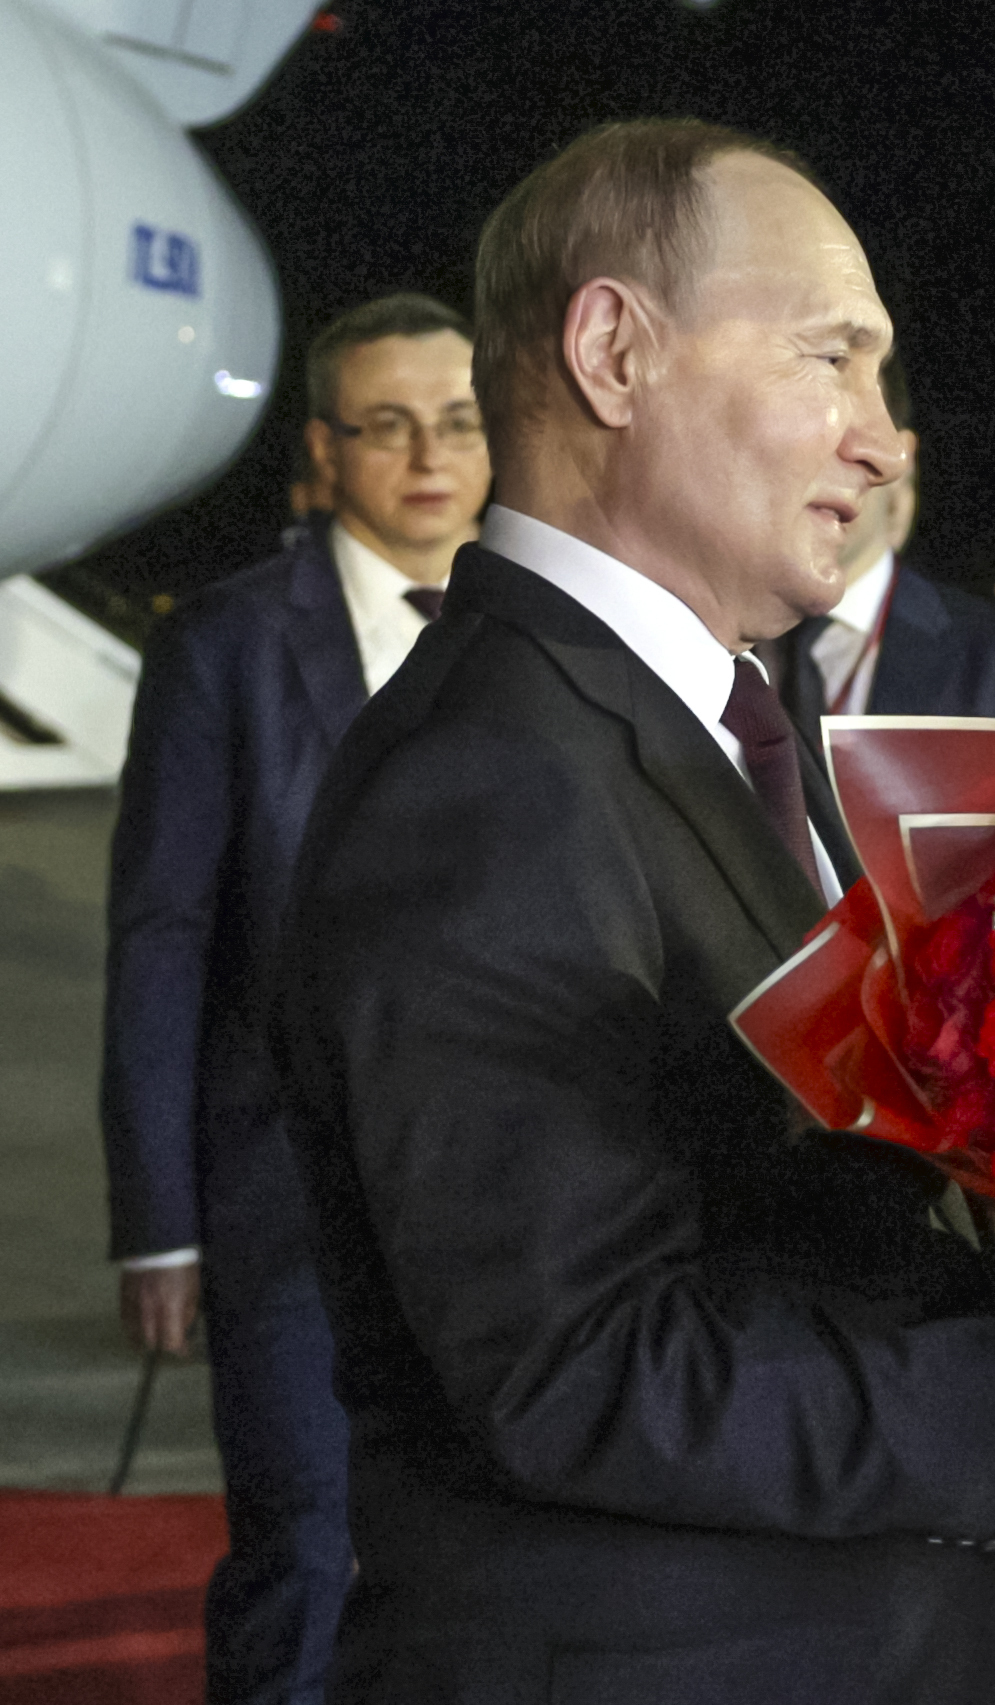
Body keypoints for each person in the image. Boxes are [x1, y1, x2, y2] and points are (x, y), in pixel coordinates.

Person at [270, 121, 995, 1705]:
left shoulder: (734, 725)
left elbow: (830, 1232)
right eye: (836, 356)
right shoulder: (487, 782)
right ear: (614, 349)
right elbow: (583, 1368)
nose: (883, 442)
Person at [102, 292, 490, 1705]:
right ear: (325, 451)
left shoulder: (554, 624)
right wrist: (157, 1222)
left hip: (516, 1197)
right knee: (307, 1549)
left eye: (456, 421)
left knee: (499, 1567)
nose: (428, 455)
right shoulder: (227, 645)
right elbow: (160, 934)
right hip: (290, 1196)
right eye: (386, 426)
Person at [759, 352, 995, 751]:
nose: (820, 464)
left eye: (847, 428)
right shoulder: (693, 643)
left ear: (901, 457)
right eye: (797, 427)